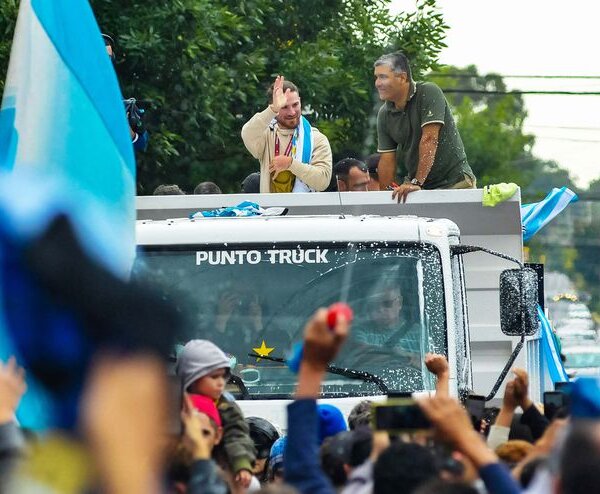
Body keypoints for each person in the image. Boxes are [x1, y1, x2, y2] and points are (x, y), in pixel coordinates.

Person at [373, 52, 476, 202]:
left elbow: (429, 139)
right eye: (376, 77)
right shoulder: (384, 113)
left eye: (383, 77)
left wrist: (416, 182)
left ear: (402, 77)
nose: (377, 83)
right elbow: (387, 159)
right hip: (419, 189)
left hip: (455, 183)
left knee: (453, 226)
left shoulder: (428, 92)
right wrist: (385, 200)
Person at [176, 339, 256, 489]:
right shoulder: (173, 403)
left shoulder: (225, 405)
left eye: (222, 377)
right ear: (192, 377)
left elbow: (237, 435)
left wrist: (241, 464)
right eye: (214, 377)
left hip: (218, 469)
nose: (221, 383)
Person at [241, 76, 332, 193]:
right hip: (269, 210)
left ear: (300, 101)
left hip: (306, 211)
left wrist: (291, 164)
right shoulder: (267, 135)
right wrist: (272, 110)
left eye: (295, 105)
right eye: (284, 107)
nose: (292, 112)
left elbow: (322, 182)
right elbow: (247, 133)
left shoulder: (317, 138)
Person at [102, 33, 149, 152]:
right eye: (101, 58)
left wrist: (127, 129)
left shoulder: (111, 93)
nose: (105, 63)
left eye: (108, 58)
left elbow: (141, 142)